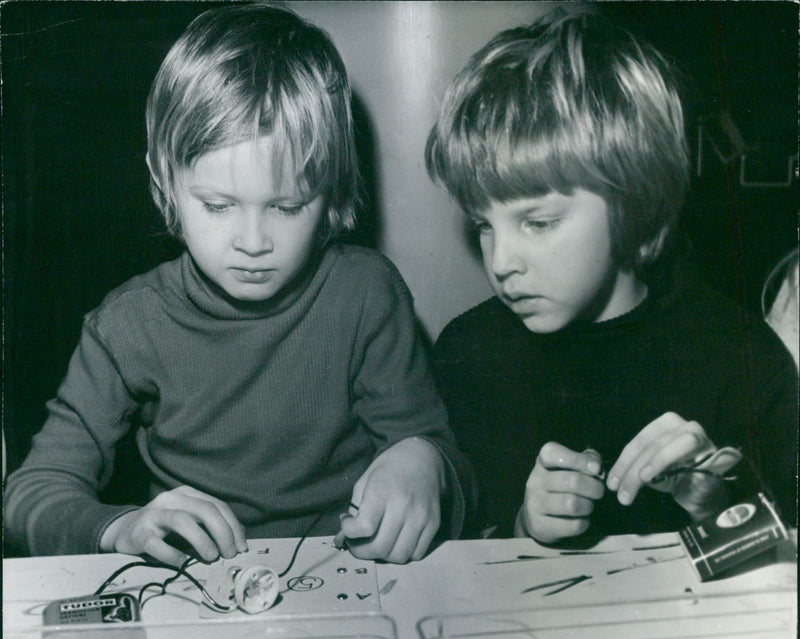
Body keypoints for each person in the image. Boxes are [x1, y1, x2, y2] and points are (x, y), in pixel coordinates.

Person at [4, 2, 474, 566]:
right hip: (198, 593)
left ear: (332, 195)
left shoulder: (367, 294)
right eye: (219, 205)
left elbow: (459, 477)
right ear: (164, 182)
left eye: (288, 206)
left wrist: (426, 464)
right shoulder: (126, 325)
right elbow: (29, 495)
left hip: (349, 581)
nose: (253, 241)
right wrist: (121, 526)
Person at [426, 7, 797, 544]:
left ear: (634, 204)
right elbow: (461, 562)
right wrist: (521, 529)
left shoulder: (742, 360)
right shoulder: (470, 354)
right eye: (483, 225)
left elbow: (781, 589)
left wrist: (717, 499)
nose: (500, 260)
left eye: (539, 221)